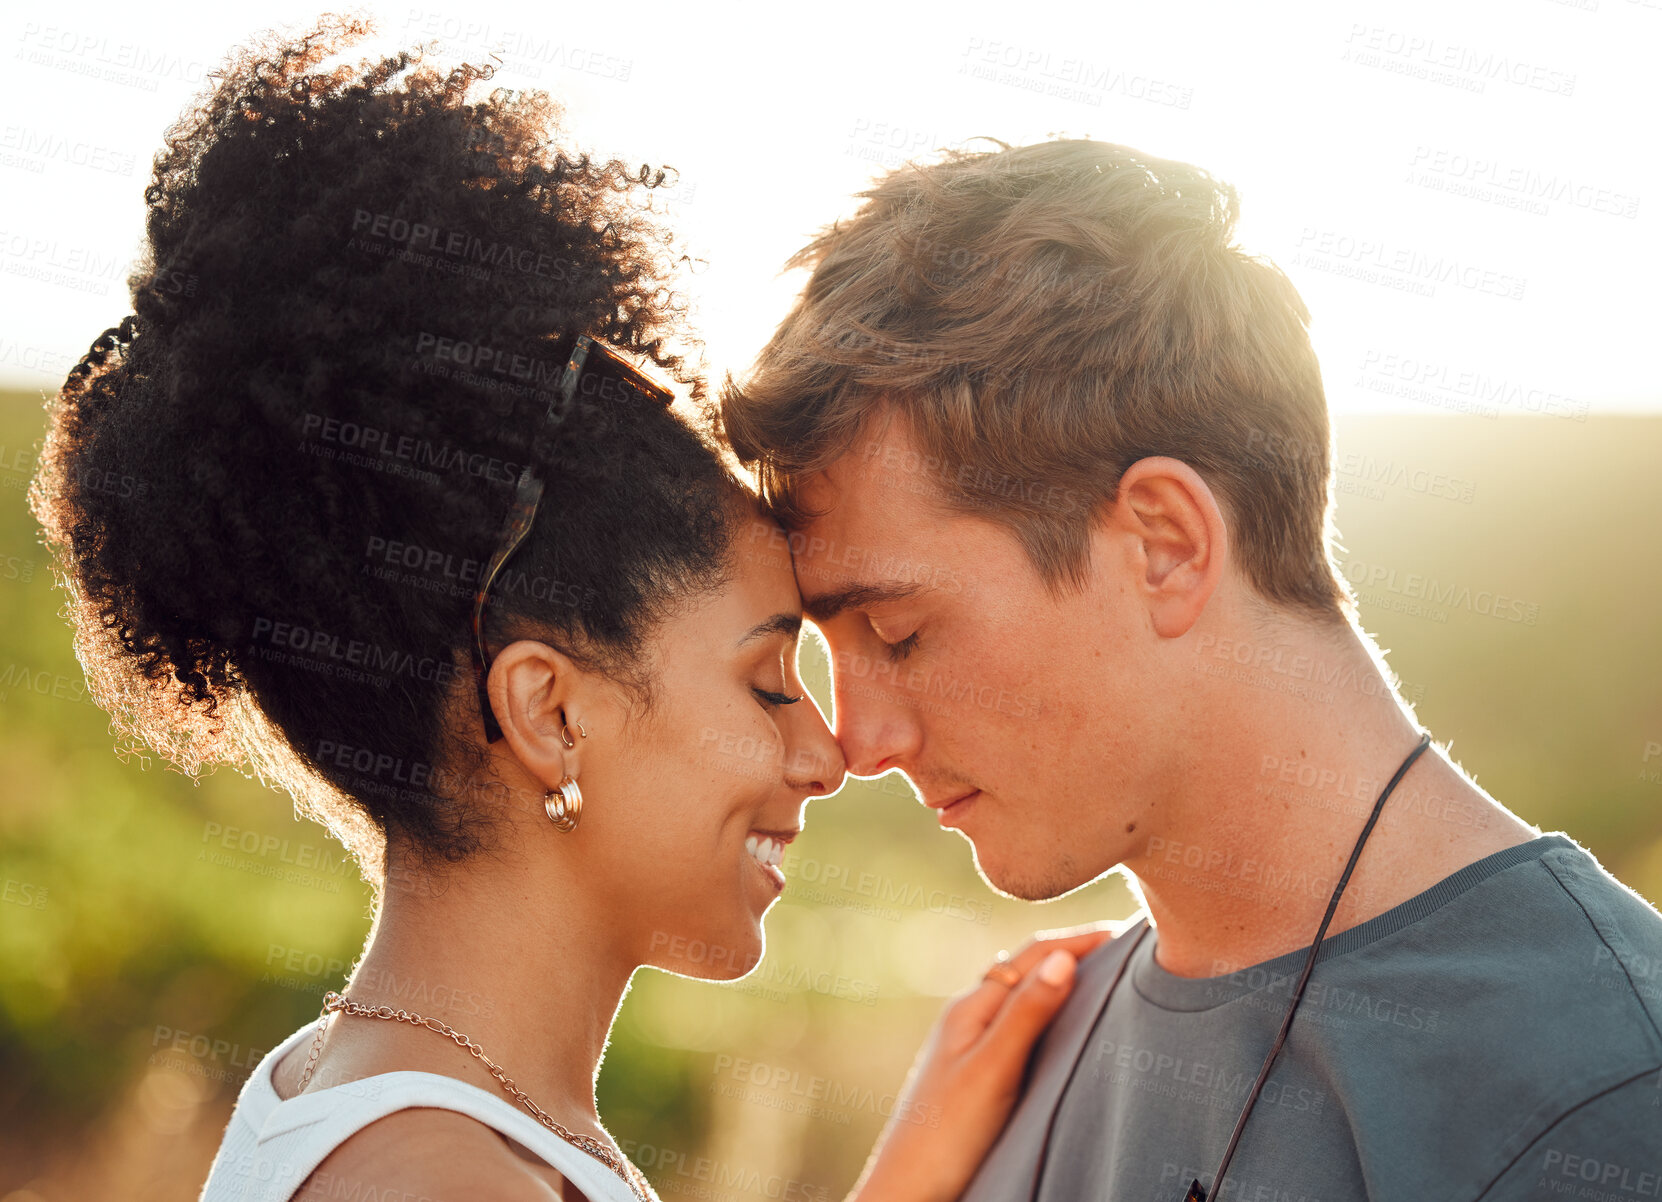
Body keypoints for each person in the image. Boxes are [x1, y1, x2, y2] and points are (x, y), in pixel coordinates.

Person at [28, 20, 1111, 1202]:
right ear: (547, 710)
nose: (828, 748)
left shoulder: (370, 1099)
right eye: (765, 679)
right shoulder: (441, 1178)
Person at [718, 137, 1662, 1199]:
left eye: (897, 633)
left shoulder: (1603, 1093)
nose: (857, 740)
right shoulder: (1009, 1064)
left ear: (1164, 544)